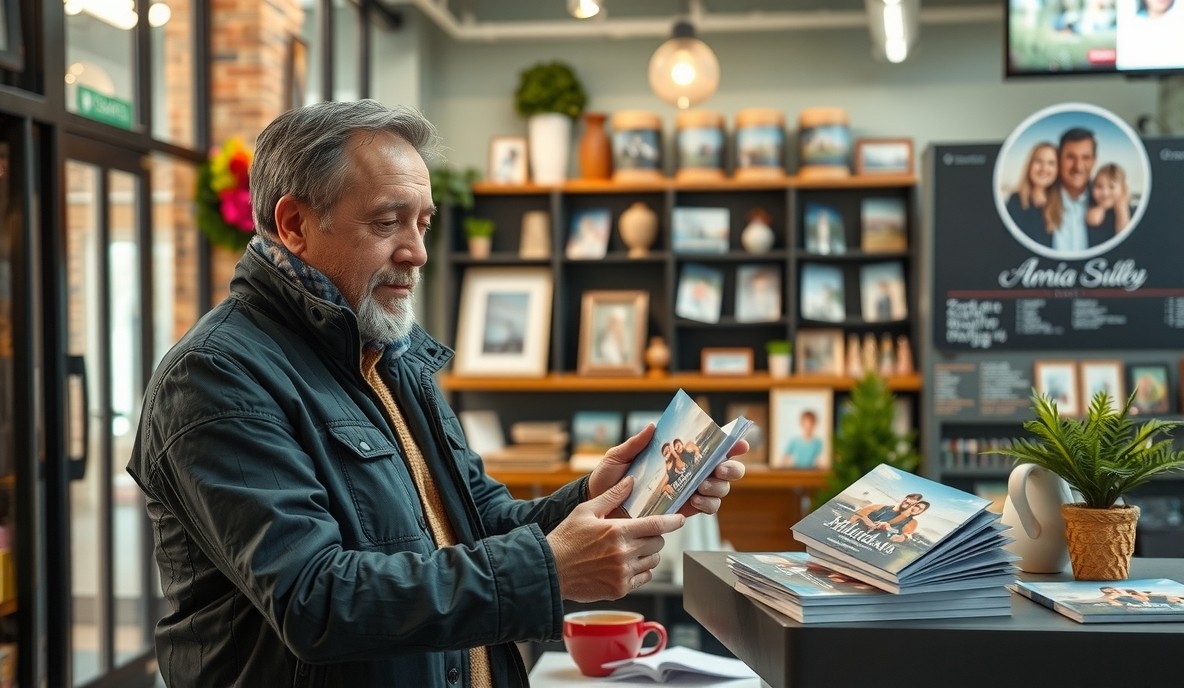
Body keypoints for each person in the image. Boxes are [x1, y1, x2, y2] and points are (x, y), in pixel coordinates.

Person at [125, 99, 748, 688]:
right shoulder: (214, 376)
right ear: (295, 225)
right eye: (387, 222)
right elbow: (316, 600)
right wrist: (550, 569)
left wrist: (604, 495)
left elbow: (479, 525)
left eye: (423, 223)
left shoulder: (389, 356)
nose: (417, 252)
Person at [1042, 127, 1098, 253]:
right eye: (1071, 157)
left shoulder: (1107, 206)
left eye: (1086, 158)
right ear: (1059, 159)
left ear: (1094, 161)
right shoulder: (1036, 203)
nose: (1078, 167)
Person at [1005, 141, 1058, 242]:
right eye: (1039, 161)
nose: (1044, 168)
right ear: (1029, 165)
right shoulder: (1015, 201)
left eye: (1051, 163)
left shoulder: (1065, 204)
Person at [1085, 162, 1132, 241]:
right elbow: (1092, 219)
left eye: (1111, 187)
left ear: (1123, 190)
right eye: (1099, 186)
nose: (1105, 193)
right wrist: (1101, 208)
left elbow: (1124, 237)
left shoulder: (1127, 210)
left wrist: (1121, 209)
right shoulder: (1090, 204)